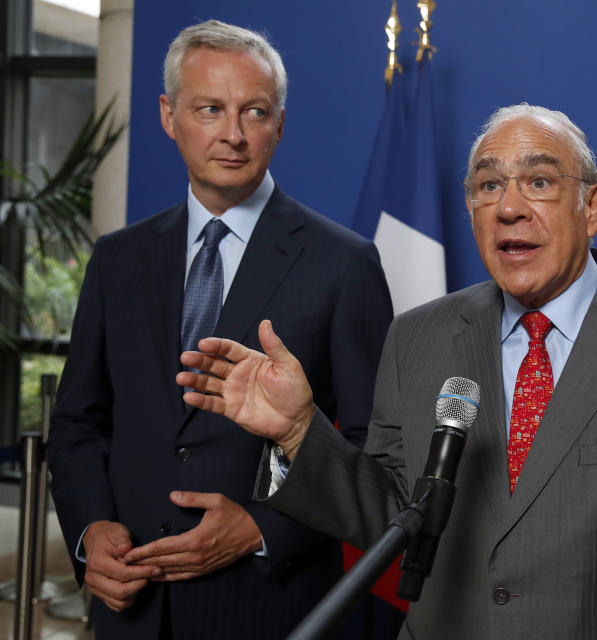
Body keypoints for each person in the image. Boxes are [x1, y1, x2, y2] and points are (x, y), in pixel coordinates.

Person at [178, 104, 597, 638]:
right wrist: (300, 432)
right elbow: (390, 515)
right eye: (488, 185)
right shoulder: (417, 336)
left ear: (592, 206)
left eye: (538, 181)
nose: (509, 207)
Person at [46, 19, 393, 639]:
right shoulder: (117, 258)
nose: (233, 134)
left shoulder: (344, 263)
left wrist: (267, 527)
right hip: (132, 610)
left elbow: (378, 451)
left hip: (270, 608)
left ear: (279, 124)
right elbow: (78, 423)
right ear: (168, 114)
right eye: (210, 109)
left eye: (254, 112)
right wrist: (90, 531)